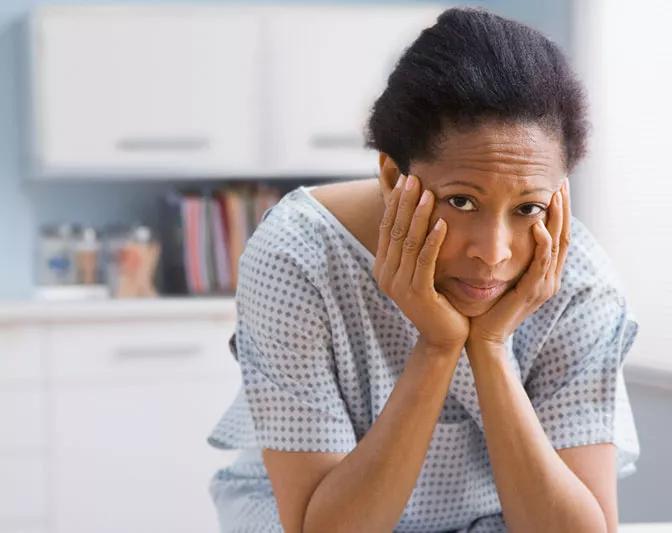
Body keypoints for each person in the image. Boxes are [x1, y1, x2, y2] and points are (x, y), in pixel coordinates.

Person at [207, 6, 640, 533]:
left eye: (527, 207)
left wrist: (491, 347)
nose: (495, 252)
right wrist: (436, 348)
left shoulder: (579, 283)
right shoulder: (297, 259)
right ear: (393, 176)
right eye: (461, 202)